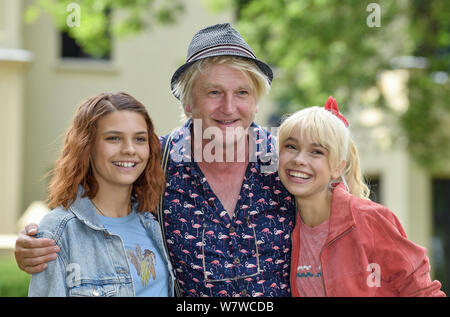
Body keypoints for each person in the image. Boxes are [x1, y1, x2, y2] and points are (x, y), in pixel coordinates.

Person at [16, 23, 295, 297]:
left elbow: (334, 219)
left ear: (256, 101)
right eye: (214, 92)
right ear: (188, 102)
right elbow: (90, 208)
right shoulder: (154, 159)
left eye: (242, 93)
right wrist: (39, 243)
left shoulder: (289, 161)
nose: (229, 107)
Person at [277, 96, 446, 297]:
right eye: (291, 147)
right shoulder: (281, 228)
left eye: (316, 152)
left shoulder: (370, 219)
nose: (299, 160)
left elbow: (421, 289)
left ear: (337, 167)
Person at [27, 92, 175, 296]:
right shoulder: (59, 232)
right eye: (114, 138)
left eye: (140, 139)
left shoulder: (155, 223)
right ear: (87, 146)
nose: (130, 149)